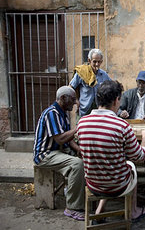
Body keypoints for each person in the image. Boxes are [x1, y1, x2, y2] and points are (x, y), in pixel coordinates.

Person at [76, 80, 145, 222]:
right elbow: (140, 156)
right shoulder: (122, 126)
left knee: (107, 164)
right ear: (117, 100)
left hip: (92, 183)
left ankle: (99, 211)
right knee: (132, 167)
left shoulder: (82, 122)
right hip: (117, 186)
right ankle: (134, 211)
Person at [33, 86, 85, 221]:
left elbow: (68, 140)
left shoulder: (63, 113)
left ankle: (74, 192)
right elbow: (60, 138)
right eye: (73, 99)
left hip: (58, 151)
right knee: (77, 164)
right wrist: (78, 128)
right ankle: (72, 208)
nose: (75, 103)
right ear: (63, 98)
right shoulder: (52, 113)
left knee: (85, 158)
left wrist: (78, 149)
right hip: (45, 155)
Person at [118, 70, 145, 181]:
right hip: (131, 125)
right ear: (136, 82)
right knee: (125, 142)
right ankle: (128, 166)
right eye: (139, 82)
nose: (141, 85)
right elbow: (118, 109)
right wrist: (121, 113)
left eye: (143, 83)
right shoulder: (128, 94)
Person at [70, 48, 111, 117]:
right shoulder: (82, 72)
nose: (97, 64)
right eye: (94, 62)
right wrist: (76, 101)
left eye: (99, 62)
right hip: (84, 109)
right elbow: (70, 87)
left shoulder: (104, 75)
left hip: (99, 110)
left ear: (101, 61)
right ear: (89, 60)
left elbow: (111, 88)